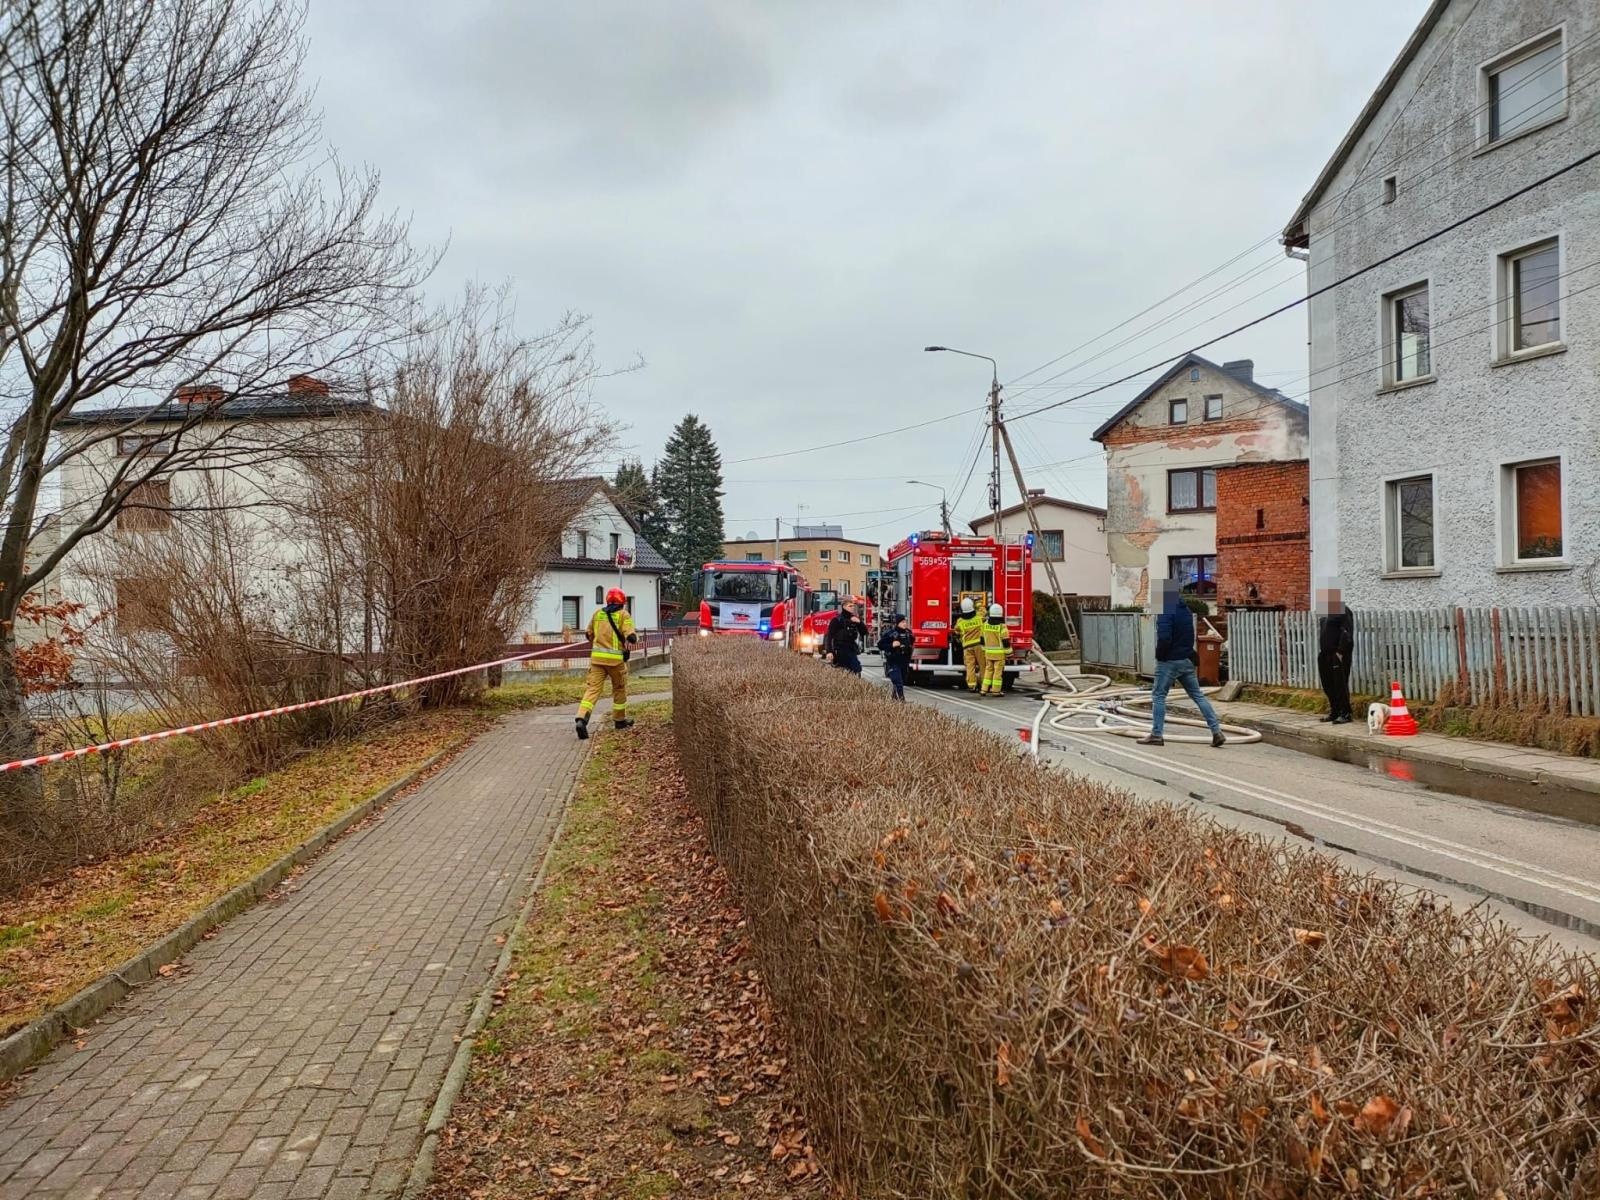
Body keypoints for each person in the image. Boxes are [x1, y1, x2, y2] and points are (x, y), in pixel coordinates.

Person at [1138, 580, 1225, 748]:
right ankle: (1216, 731)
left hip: (1170, 661)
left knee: (1158, 696)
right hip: (1186, 660)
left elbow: (1164, 637)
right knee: (1198, 695)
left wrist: (1160, 655)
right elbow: (1190, 634)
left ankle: (1156, 734)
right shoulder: (1186, 610)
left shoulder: (1165, 611)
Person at [575, 588, 638, 740]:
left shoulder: (598, 614)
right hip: (615, 662)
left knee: (592, 690)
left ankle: (581, 719)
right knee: (619, 688)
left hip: (596, 660)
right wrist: (631, 639)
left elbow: (589, 634)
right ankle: (619, 720)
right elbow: (630, 635)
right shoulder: (623, 614)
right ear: (622, 602)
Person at [1317, 584, 1356, 725]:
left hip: (1338, 654)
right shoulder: (1325, 613)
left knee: (1340, 684)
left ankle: (1346, 713)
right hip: (1325, 654)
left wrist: (1340, 652)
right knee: (1328, 684)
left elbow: (1347, 633)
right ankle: (1335, 711)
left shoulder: (1343, 611)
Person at [824, 599, 866, 675]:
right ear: (844, 607)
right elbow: (829, 636)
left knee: (857, 669)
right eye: (850, 606)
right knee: (843, 670)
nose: (852, 608)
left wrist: (860, 623)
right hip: (840, 649)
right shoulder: (837, 620)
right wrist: (829, 651)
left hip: (851, 648)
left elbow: (864, 633)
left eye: (853, 606)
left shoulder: (854, 619)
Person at [878, 614, 913, 700]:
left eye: (905, 622)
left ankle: (894, 696)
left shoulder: (908, 633)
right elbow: (880, 645)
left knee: (901, 681)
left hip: (904, 661)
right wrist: (891, 645)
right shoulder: (890, 634)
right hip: (893, 661)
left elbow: (912, 642)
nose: (905, 624)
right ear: (897, 623)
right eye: (902, 622)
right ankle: (901, 699)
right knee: (898, 681)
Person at [979, 603, 1010, 697]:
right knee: (997, 673)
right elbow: (1006, 642)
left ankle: (984, 690)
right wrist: (1009, 653)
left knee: (988, 671)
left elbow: (981, 639)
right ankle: (996, 691)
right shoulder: (1002, 627)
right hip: (999, 654)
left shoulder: (984, 625)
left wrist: (984, 650)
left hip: (988, 653)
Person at [954, 597, 984, 692]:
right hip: (979, 645)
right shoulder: (979, 617)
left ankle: (972, 685)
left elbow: (956, 630)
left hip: (967, 647)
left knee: (970, 666)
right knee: (982, 665)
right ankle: (983, 684)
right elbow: (983, 610)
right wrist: (978, 602)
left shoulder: (960, 621)